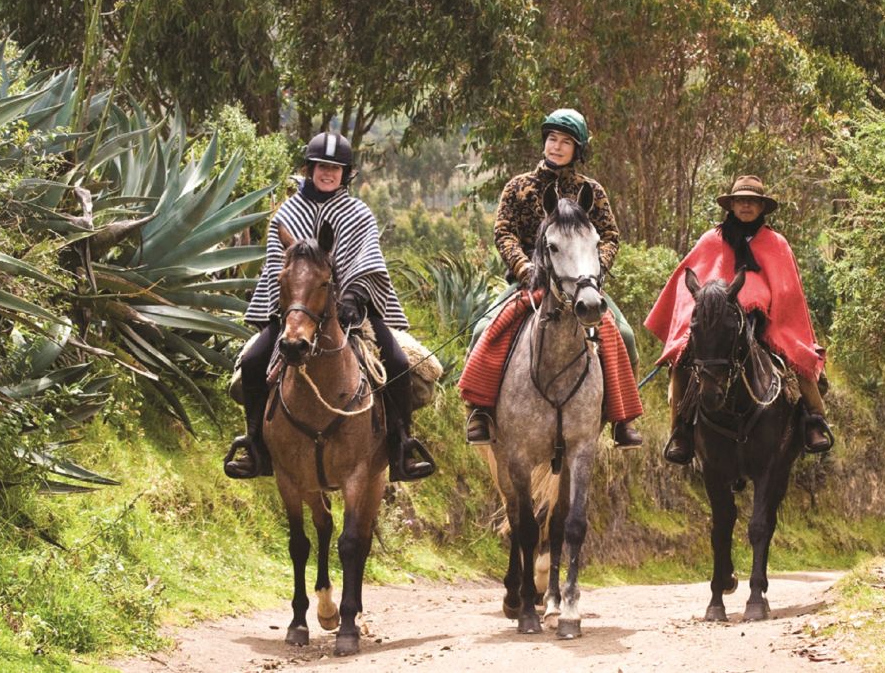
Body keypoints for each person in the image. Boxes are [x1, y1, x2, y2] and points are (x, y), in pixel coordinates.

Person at [224, 131, 435, 482]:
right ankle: (255, 445)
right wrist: (292, 306)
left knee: (398, 363)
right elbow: (281, 268)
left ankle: (401, 447)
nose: (328, 173)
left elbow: (369, 262)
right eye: (322, 166)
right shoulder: (287, 213)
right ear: (310, 168)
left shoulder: (358, 213)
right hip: (297, 314)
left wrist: (352, 297)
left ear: (346, 173)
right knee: (251, 361)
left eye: (335, 168)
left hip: (353, 315)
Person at [461, 108, 642, 447]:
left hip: (581, 284)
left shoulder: (592, 191)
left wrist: (593, 271)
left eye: (565, 142)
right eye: (552, 139)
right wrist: (525, 268)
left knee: (626, 336)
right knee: (483, 330)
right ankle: (480, 410)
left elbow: (611, 236)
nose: (556, 147)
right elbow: (504, 232)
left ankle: (621, 419)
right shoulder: (519, 186)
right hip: (529, 283)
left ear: (578, 149)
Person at [645, 175, 833, 464]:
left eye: (752, 200)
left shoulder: (776, 243)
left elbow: (787, 290)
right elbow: (691, 283)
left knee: (797, 354)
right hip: (716, 326)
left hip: (765, 323)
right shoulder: (711, 240)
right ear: (731, 205)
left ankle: (815, 420)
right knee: (682, 362)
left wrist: (761, 304)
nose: (746, 205)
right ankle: (680, 431)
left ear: (762, 207)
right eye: (740, 200)